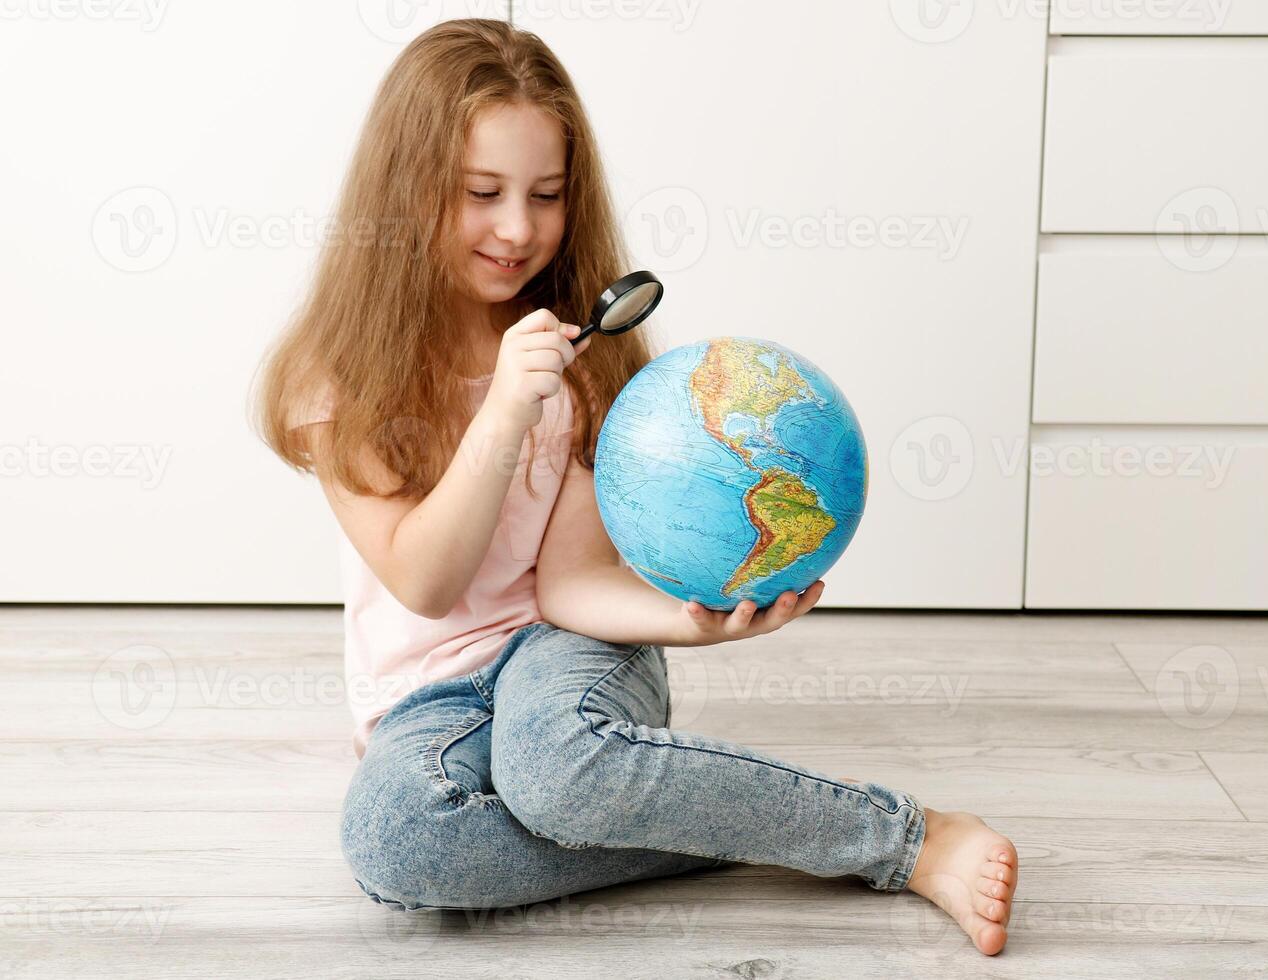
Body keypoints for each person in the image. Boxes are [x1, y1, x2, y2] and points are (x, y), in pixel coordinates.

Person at [249, 18, 1017, 957]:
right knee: (400, 843)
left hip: (570, 650)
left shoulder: (580, 365)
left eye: (547, 195)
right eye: (481, 193)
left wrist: (687, 620)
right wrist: (500, 417)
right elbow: (425, 582)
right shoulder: (340, 378)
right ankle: (707, 815)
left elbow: (570, 587)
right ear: (404, 192)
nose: (519, 228)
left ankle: (904, 838)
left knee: (557, 767)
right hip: (425, 700)